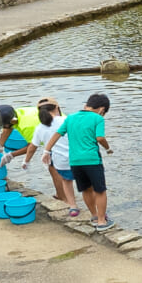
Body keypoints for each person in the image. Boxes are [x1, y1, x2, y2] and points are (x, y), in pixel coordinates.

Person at [58, 92, 113, 227]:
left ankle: (94, 216)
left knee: (86, 189)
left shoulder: (70, 118)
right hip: (92, 160)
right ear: (102, 110)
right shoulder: (97, 118)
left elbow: (57, 134)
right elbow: (99, 138)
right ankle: (102, 221)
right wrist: (107, 148)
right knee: (100, 190)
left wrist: (47, 151)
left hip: (75, 161)